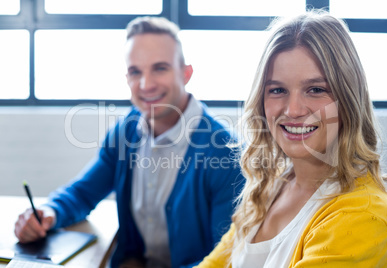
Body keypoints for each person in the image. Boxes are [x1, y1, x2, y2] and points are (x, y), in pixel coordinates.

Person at [14, 16, 243, 268]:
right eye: (135, 72)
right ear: (127, 78)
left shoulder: (226, 152)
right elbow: (82, 193)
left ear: (186, 73)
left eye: (160, 68)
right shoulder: (125, 133)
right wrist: (48, 213)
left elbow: (226, 259)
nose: (146, 84)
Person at [196, 11, 387, 268]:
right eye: (277, 90)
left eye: (316, 89)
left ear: (348, 99)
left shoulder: (365, 216)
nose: (293, 110)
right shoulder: (271, 186)